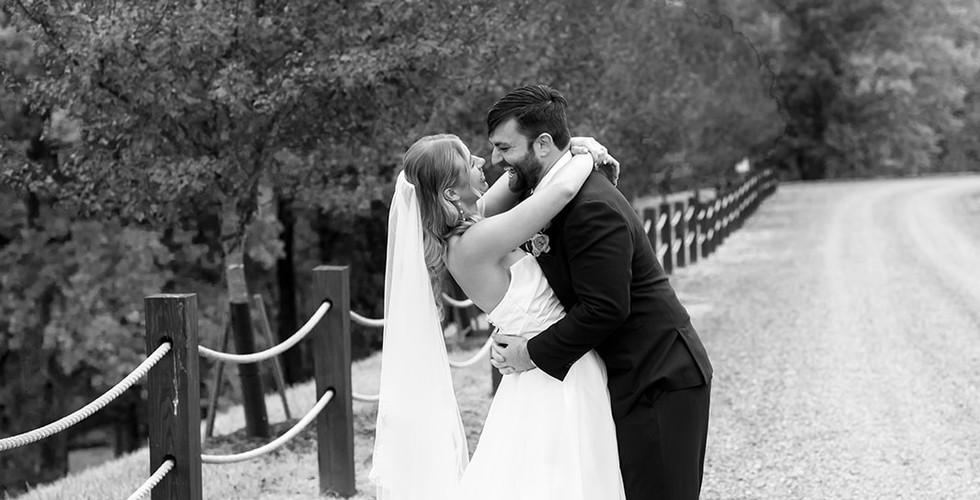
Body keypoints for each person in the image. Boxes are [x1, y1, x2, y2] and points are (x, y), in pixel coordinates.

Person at [369, 132, 625, 500]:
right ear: (451, 194)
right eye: (467, 162)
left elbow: (516, 175)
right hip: (556, 377)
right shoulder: (475, 242)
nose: (480, 162)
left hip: (545, 363)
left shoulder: (468, 229)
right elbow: (561, 193)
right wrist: (590, 152)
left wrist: (567, 143)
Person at [488, 84, 713, 499]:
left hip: (658, 377)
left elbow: (606, 308)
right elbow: (488, 210)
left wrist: (529, 353)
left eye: (504, 148)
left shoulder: (590, 206)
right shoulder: (551, 190)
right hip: (629, 374)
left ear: (542, 145)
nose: (497, 161)